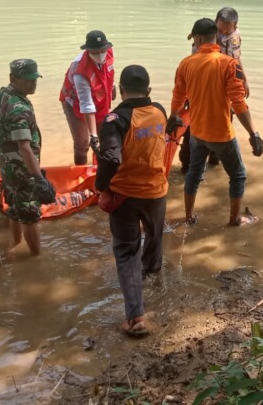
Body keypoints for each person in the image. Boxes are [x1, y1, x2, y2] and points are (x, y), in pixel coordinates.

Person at [169, 18, 263, 227]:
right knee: (238, 176)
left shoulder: (186, 63)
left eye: (194, 38)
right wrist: (253, 133)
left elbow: (178, 97)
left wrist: (172, 117)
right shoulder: (228, 63)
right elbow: (238, 103)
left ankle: (188, 216)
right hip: (222, 135)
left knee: (193, 175)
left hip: (197, 133)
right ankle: (235, 219)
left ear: (198, 38)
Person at [95, 65, 168, 337]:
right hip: (156, 191)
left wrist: (100, 186)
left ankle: (136, 317)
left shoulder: (115, 120)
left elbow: (112, 157)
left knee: (127, 252)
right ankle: (154, 282)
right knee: (154, 237)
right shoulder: (160, 110)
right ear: (148, 90)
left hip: (124, 195)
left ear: (119, 90)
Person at [0, 59, 56, 255]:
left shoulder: (0, 96)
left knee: (14, 206)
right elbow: (25, 147)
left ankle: (15, 244)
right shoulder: (19, 108)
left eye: (35, 79)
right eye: (28, 80)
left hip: (6, 164)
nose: (33, 84)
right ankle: (36, 259)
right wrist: (39, 179)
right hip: (22, 170)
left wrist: (3, 149)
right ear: (14, 79)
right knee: (30, 214)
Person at [179, 7, 249, 173]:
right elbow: (194, 63)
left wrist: (244, 79)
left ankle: (214, 160)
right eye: (220, 30)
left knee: (225, 120)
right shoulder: (204, 35)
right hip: (203, 83)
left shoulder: (236, 36)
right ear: (215, 23)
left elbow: (236, 58)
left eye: (227, 31)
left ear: (235, 27)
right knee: (194, 122)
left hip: (226, 82)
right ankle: (186, 164)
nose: (223, 34)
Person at [59, 30, 117, 165]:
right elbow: (87, 104)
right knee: (83, 144)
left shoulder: (109, 52)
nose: (100, 55)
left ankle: (99, 172)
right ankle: (80, 177)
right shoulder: (80, 70)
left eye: (102, 51)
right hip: (75, 102)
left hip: (99, 96)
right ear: (88, 51)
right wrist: (93, 135)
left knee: (105, 139)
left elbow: (110, 70)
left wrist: (112, 86)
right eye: (95, 53)